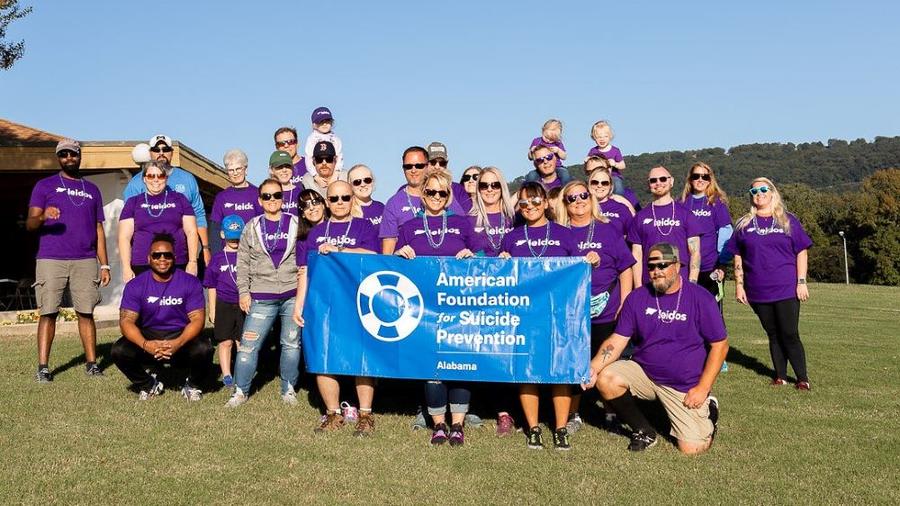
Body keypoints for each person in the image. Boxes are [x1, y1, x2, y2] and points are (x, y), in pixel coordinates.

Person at [583, 243, 728, 454]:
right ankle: (644, 431)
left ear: (678, 266)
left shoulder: (700, 298)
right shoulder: (637, 297)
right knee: (607, 378)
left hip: (683, 384)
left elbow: (720, 346)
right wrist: (593, 368)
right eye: (651, 267)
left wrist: (703, 388)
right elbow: (617, 340)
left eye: (663, 265)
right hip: (645, 373)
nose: (656, 271)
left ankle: (710, 408)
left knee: (693, 449)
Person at [395, 170, 476, 446]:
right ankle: (438, 423)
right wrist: (399, 255)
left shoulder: (464, 224)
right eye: (431, 191)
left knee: (459, 364)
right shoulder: (407, 226)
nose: (436, 197)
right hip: (424, 310)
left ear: (449, 195)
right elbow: (393, 267)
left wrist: (472, 256)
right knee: (432, 366)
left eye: (442, 192)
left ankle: (458, 424)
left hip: (458, 305)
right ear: (423, 194)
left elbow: (485, 259)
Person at [293, 181, 380, 436]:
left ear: (352, 199)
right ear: (327, 203)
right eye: (334, 198)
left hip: (357, 302)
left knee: (361, 357)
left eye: (344, 197)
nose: (340, 202)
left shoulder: (364, 226)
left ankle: (365, 414)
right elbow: (304, 270)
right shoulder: (316, 232)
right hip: (323, 303)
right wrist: (300, 304)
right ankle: (333, 414)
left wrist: (340, 250)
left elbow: (374, 256)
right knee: (323, 357)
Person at [499, 182, 580, 451]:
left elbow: (579, 272)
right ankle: (533, 428)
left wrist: (591, 260)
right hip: (523, 315)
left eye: (535, 202)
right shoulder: (512, 237)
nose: (530, 207)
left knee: (560, 370)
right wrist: (502, 261)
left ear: (546, 202)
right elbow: (502, 277)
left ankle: (560, 428)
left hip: (559, 314)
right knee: (527, 371)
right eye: (523, 203)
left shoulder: (565, 234)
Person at [554, 180, 635, 434]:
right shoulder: (558, 234)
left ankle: (612, 411)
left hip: (607, 310)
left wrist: (625, 302)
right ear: (564, 204)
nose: (578, 201)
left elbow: (625, 268)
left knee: (608, 363)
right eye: (571, 198)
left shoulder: (608, 230)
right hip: (572, 312)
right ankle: (574, 413)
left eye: (583, 195)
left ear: (591, 198)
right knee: (575, 363)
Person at [26, 139, 110, 382]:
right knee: (48, 312)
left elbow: (99, 229)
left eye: (72, 154)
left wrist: (103, 263)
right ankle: (43, 367)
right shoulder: (45, 186)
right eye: (63, 155)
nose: (68, 158)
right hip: (51, 258)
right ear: (58, 158)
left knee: (86, 312)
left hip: (85, 259)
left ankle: (92, 364)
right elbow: (30, 224)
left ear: (79, 156)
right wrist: (43, 215)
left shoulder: (92, 189)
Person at [729, 178, 813, 390]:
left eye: (764, 189)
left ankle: (802, 378)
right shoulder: (744, 224)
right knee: (773, 333)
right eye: (754, 190)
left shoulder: (787, 220)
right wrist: (739, 285)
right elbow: (737, 255)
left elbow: (801, 250)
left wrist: (801, 281)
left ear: (773, 192)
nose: (759, 193)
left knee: (790, 333)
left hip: (786, 288)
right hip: (757, 290)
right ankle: (781, 376)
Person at [226, 179, 302, 407]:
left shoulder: (296, 223)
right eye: (267, 196)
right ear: (260, 200)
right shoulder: (252, 226)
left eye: (276, 195)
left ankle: (288, 389)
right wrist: (243, 292)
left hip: (292, 294)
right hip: (261, 296)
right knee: (248, 346)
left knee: (291, 344)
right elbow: (243, 262)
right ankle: (240, 391)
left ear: (282, 198)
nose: (272, 200)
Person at [112, 233, 212, 401]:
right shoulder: (136, 285)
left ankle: (192, 385)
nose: (162, 259)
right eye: (157, 255)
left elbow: (197, 320)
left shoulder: (190, 282)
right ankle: (148, 384)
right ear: (149, 258)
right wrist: (145, 344)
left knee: (204, 348)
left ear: (174, 257)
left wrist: (177, 343)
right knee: (119, 350)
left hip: (180, 334)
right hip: (149, 334)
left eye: (167, 255)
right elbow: (126, 321)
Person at [465, 166, 519, 435]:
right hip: (477, 293)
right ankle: (474, 405)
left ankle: (504, 412)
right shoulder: (467, 217)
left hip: (508, 293)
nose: (488, 190)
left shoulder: (515, 217)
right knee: (476, 347)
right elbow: (460, 248)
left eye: (494, 185)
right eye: (483, 185)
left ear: (502, 187)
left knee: (503, 351)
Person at [123, 134, 210, 265]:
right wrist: (127, 263)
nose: (161, 153)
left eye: (166, 149)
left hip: (181, 254)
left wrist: (205, 247)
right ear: (150, 153)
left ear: (172, 153)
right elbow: (127, 228)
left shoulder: (187, 179)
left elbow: (199, 214)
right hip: (146, 257)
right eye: (157, 150)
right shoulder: (136, 183)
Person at [118, 160, 198, 281]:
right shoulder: (133, 202)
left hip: (176, 262)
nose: (155, 180)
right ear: (144, 179)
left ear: (166, 178)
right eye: (150, 176)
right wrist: (126, 267)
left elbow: (191, 231)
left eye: (160, 176)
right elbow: (124, 237)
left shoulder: (180, 199)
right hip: (142, 264)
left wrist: (192, 262)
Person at [379, 146, 466, 254]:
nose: (413, 170)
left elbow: (465, 233)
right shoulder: (394, 203)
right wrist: (397, 254)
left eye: (419, 166)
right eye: (408, 166)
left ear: (427, 166)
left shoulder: (442, 197)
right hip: (410, 267)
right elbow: (387, 254)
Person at [627, 166, 701, 287]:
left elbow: (695, 252)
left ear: (671, 181)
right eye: (653, 180)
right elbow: (637, 255)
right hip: (649, 285)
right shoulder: (640, 217)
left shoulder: (686, 214)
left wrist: (692, 282)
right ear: (648, 184)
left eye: (662, 179)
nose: (658, 183)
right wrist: (638, 287)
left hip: (680, 285)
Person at [680, 162, 733, 309]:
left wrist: (722, 264)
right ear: (690, 179)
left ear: (710, 179)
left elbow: (726, 233)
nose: (700, 180)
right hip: (686, 269)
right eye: (696, 176)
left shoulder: (716, 203)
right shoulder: (681, 204)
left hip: (711, 268)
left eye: (705, 176)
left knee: (712, 314)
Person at [203, 214, 245, 390]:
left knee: (241, 342)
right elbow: (211, 285)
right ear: (222, 235)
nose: (234, 241)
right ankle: (227, 373)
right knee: (225, 341)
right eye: (230, 237)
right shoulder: (218, 258)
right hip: (224, 304)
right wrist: (212, 309)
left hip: (244, 303)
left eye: (237, 237)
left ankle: (242, 373)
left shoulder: (248, 256)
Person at [210, 149, 262, 250]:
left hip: (253, 252)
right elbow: (215, 229)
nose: (235, 173)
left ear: (245, 170)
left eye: (238, 169)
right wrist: (217, 255)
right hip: (229, 252)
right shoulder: (221, 197)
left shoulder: (257, 193)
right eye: (231, 170)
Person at [585, 157, 635, 237]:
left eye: (604, 183)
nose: (599, 186)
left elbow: (633, 236)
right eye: (595, 182)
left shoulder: (622, 207)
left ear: (610, 185)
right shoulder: (580, 206)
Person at [426, 141, 472, 212]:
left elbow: (469, 216)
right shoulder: (416, 189)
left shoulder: (457, 189)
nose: (437, 166)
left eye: (442, 163)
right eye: (433, 162)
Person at [586, 120, 627, 195]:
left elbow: (623, 165)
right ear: (594, 138)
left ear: (610, 136)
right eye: (599, 137)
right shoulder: (593, 151)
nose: (602, 139)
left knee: (618, 187)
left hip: (613, 176)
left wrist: (615, 164)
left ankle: (618, 200)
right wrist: (587, 160)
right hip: (597, 177)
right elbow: (588, 166)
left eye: (605, 136)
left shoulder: (615, 150)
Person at [304, 106, 344, 172]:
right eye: (321, 121)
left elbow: (339, 157)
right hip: (317, 172)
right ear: (314, 124)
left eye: (327, 121)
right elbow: (308, 158)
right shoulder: (312, 139)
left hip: (333, 172)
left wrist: (337, 172)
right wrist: (315, 175)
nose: (325, 124)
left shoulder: (335, 139)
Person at [347, 164, 385, 228]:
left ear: (372, 182)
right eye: (357, 182)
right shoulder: (347, 211)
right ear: (350, 186)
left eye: (367, 180)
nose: (363, 184)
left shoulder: (381, 207)